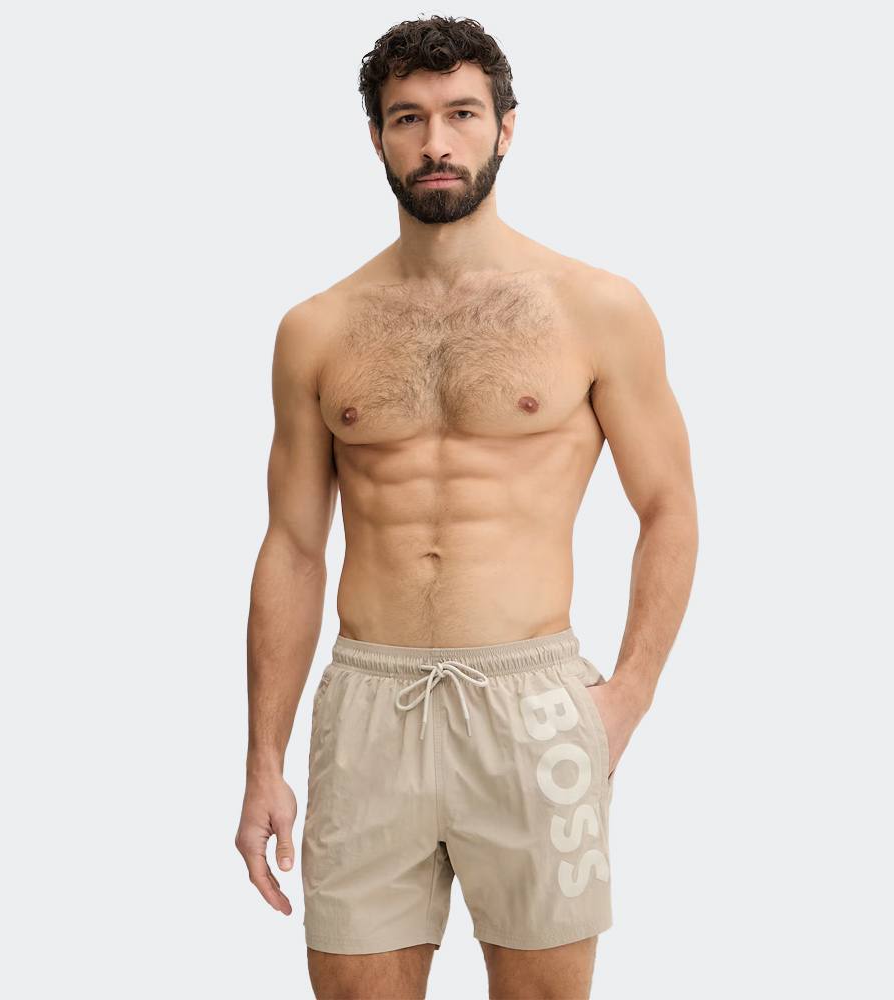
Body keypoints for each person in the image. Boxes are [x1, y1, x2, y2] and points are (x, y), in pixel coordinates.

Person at [235, 15, 698, 999]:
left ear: (506, 128)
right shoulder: (316, 328)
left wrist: (629, 693)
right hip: (368, 705)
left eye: (461, 114)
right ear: (377, 137)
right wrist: (263, 759)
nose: (435, 142)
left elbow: (668, 506)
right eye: (408, 118)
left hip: (533, 704)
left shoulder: (595, 307)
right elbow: (293, 546)